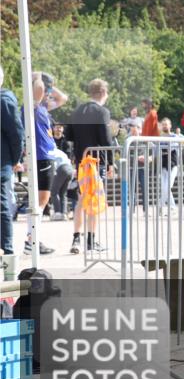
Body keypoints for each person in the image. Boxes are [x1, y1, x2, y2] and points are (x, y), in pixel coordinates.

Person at [63, 79, 114, 254]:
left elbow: (68, 135)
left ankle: (76, 238)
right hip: (96, 161)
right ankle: (91, 241)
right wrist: (111, 163)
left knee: (81, 199)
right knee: (95, 198)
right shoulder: (102, 112)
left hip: (81, 161)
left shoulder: (77, 111)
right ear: (102, 93)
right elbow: (105, 140)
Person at [23, 74, 66, 253]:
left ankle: (33, 240)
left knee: (40, 201)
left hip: (44, 156)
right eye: (47, 90)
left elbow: (63, 98)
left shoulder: (41, 107)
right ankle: (32, 241)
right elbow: (39, 89)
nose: (48, 93)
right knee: (41, 201)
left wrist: (50, 85)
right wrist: (39, 78)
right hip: (42, 157)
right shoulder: (32, 105)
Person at [1, 65, 23, 256]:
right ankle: (6, 251)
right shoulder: (5, 101)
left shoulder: (4, 101)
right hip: (2, 162)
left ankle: (7, 251)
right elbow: (16, 134)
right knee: (2, 207)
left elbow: (16, 134)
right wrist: (15, 158)